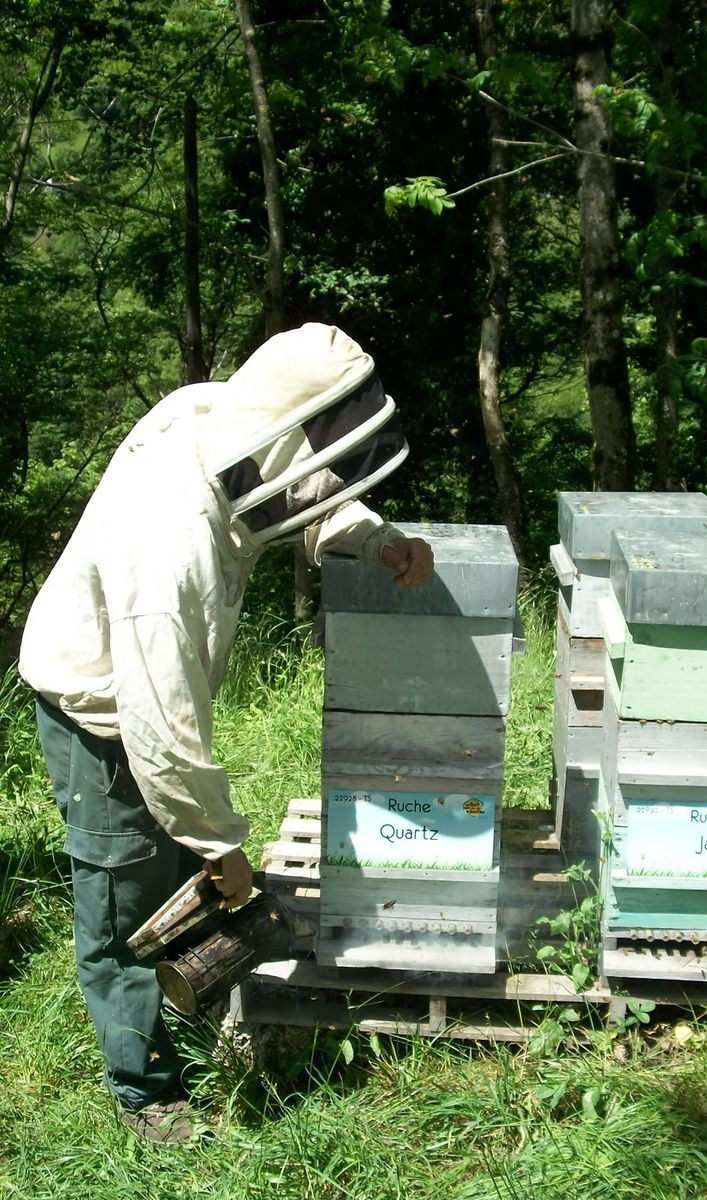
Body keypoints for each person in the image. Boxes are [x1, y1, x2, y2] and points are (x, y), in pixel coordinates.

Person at [18, 323, 433, 1141]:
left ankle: (192, 1004)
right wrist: (220, 842)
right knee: (125, 912)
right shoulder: (168, 544)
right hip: (98, 708)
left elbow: (300, 487)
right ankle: (146, 1093)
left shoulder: (217, 414)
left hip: (149, 682)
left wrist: (374, 538)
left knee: (179, 873)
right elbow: (158, 722)